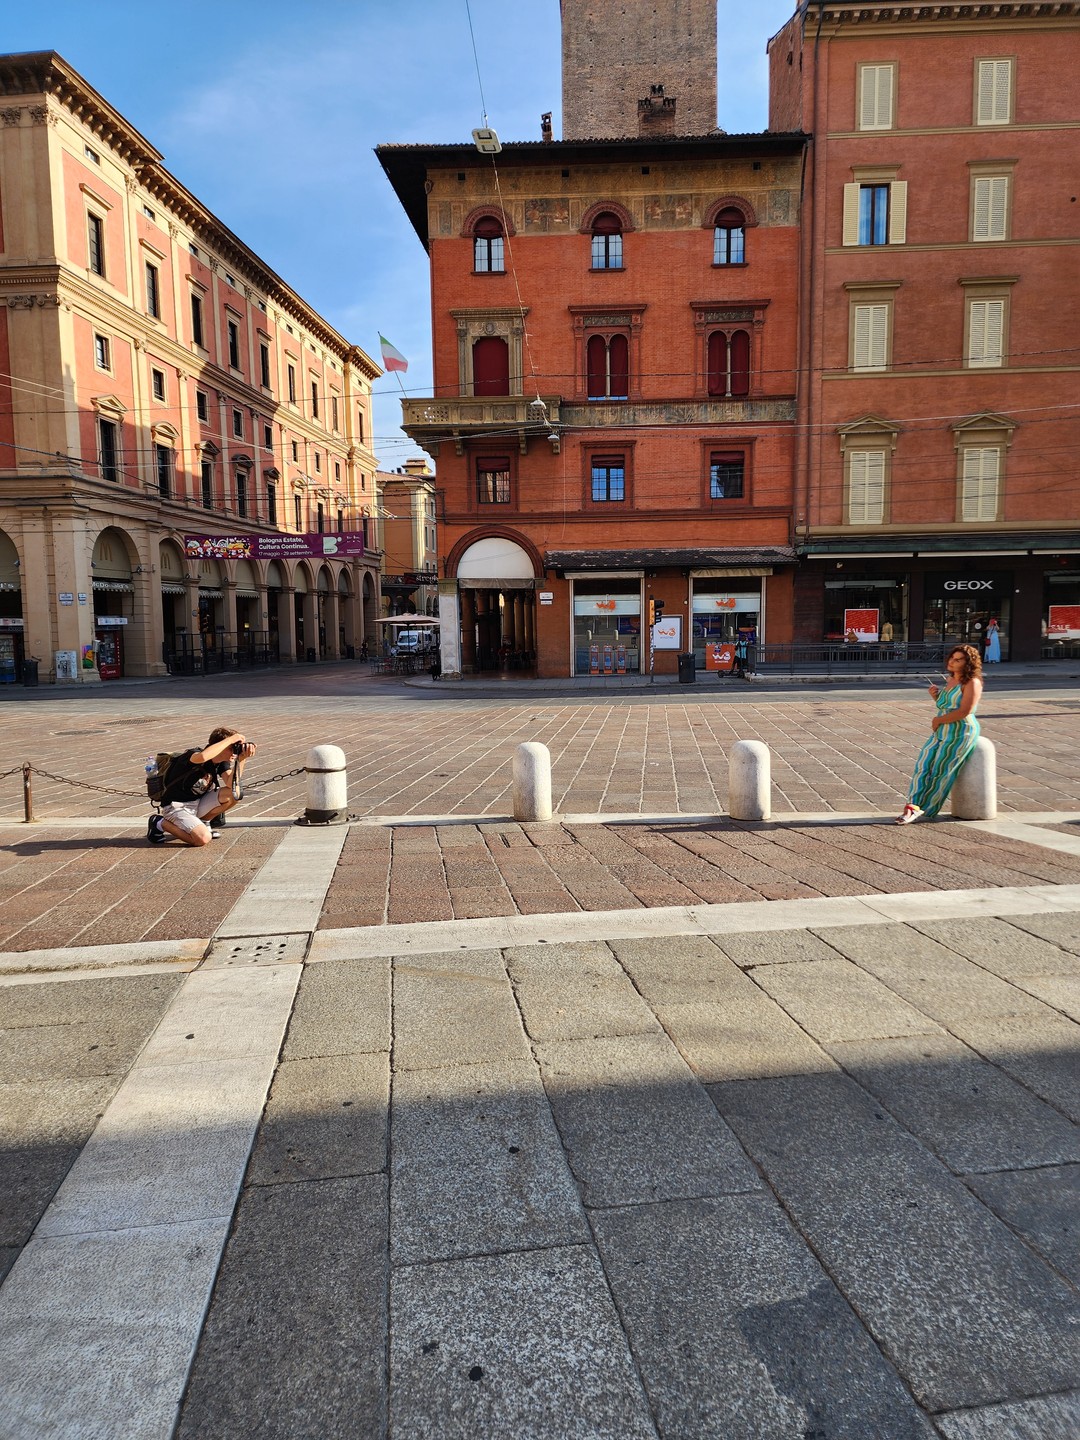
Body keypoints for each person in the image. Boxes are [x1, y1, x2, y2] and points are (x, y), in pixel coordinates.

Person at [896, 645, 983, 824]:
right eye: (952, 658)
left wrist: (938, 721)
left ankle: (920, 808)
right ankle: (912, 804)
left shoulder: (972, 682)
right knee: (923, 764)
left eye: (958, 659)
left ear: (968, 663)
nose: (952, 661)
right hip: (942, 729)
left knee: (941, 770)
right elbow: (947, 705)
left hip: (960, 731)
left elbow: (964, 711)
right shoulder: (951, 680)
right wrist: (936, 696)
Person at [147, 727, 256, 847]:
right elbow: (203, 757)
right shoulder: (192, 755)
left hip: (197, 803)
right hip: (175, 807)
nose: (234, 753)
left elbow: (232, 785)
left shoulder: (221, 762)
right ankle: (159, 823)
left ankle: (204, 821)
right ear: (219, 746)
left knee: (234, 794)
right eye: (232, 748)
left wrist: (241, 759)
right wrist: (232, 739)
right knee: (202, 839)